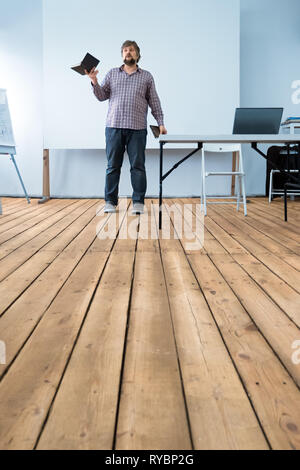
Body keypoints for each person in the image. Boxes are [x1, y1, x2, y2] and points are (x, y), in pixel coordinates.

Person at [86, 40, 167, 214]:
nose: (127, 52)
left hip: (137, 129)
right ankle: (110, 202)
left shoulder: (146, 76)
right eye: (124, 50)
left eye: (131, 50)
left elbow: (154, 102)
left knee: (137, 166)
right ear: (122, 55)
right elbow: (101, 96)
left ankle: (138, 202)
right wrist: (94, 80)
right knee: (112, 166)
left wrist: (161, 123)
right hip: (114, 127)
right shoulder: (112, 73)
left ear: (138, 54)